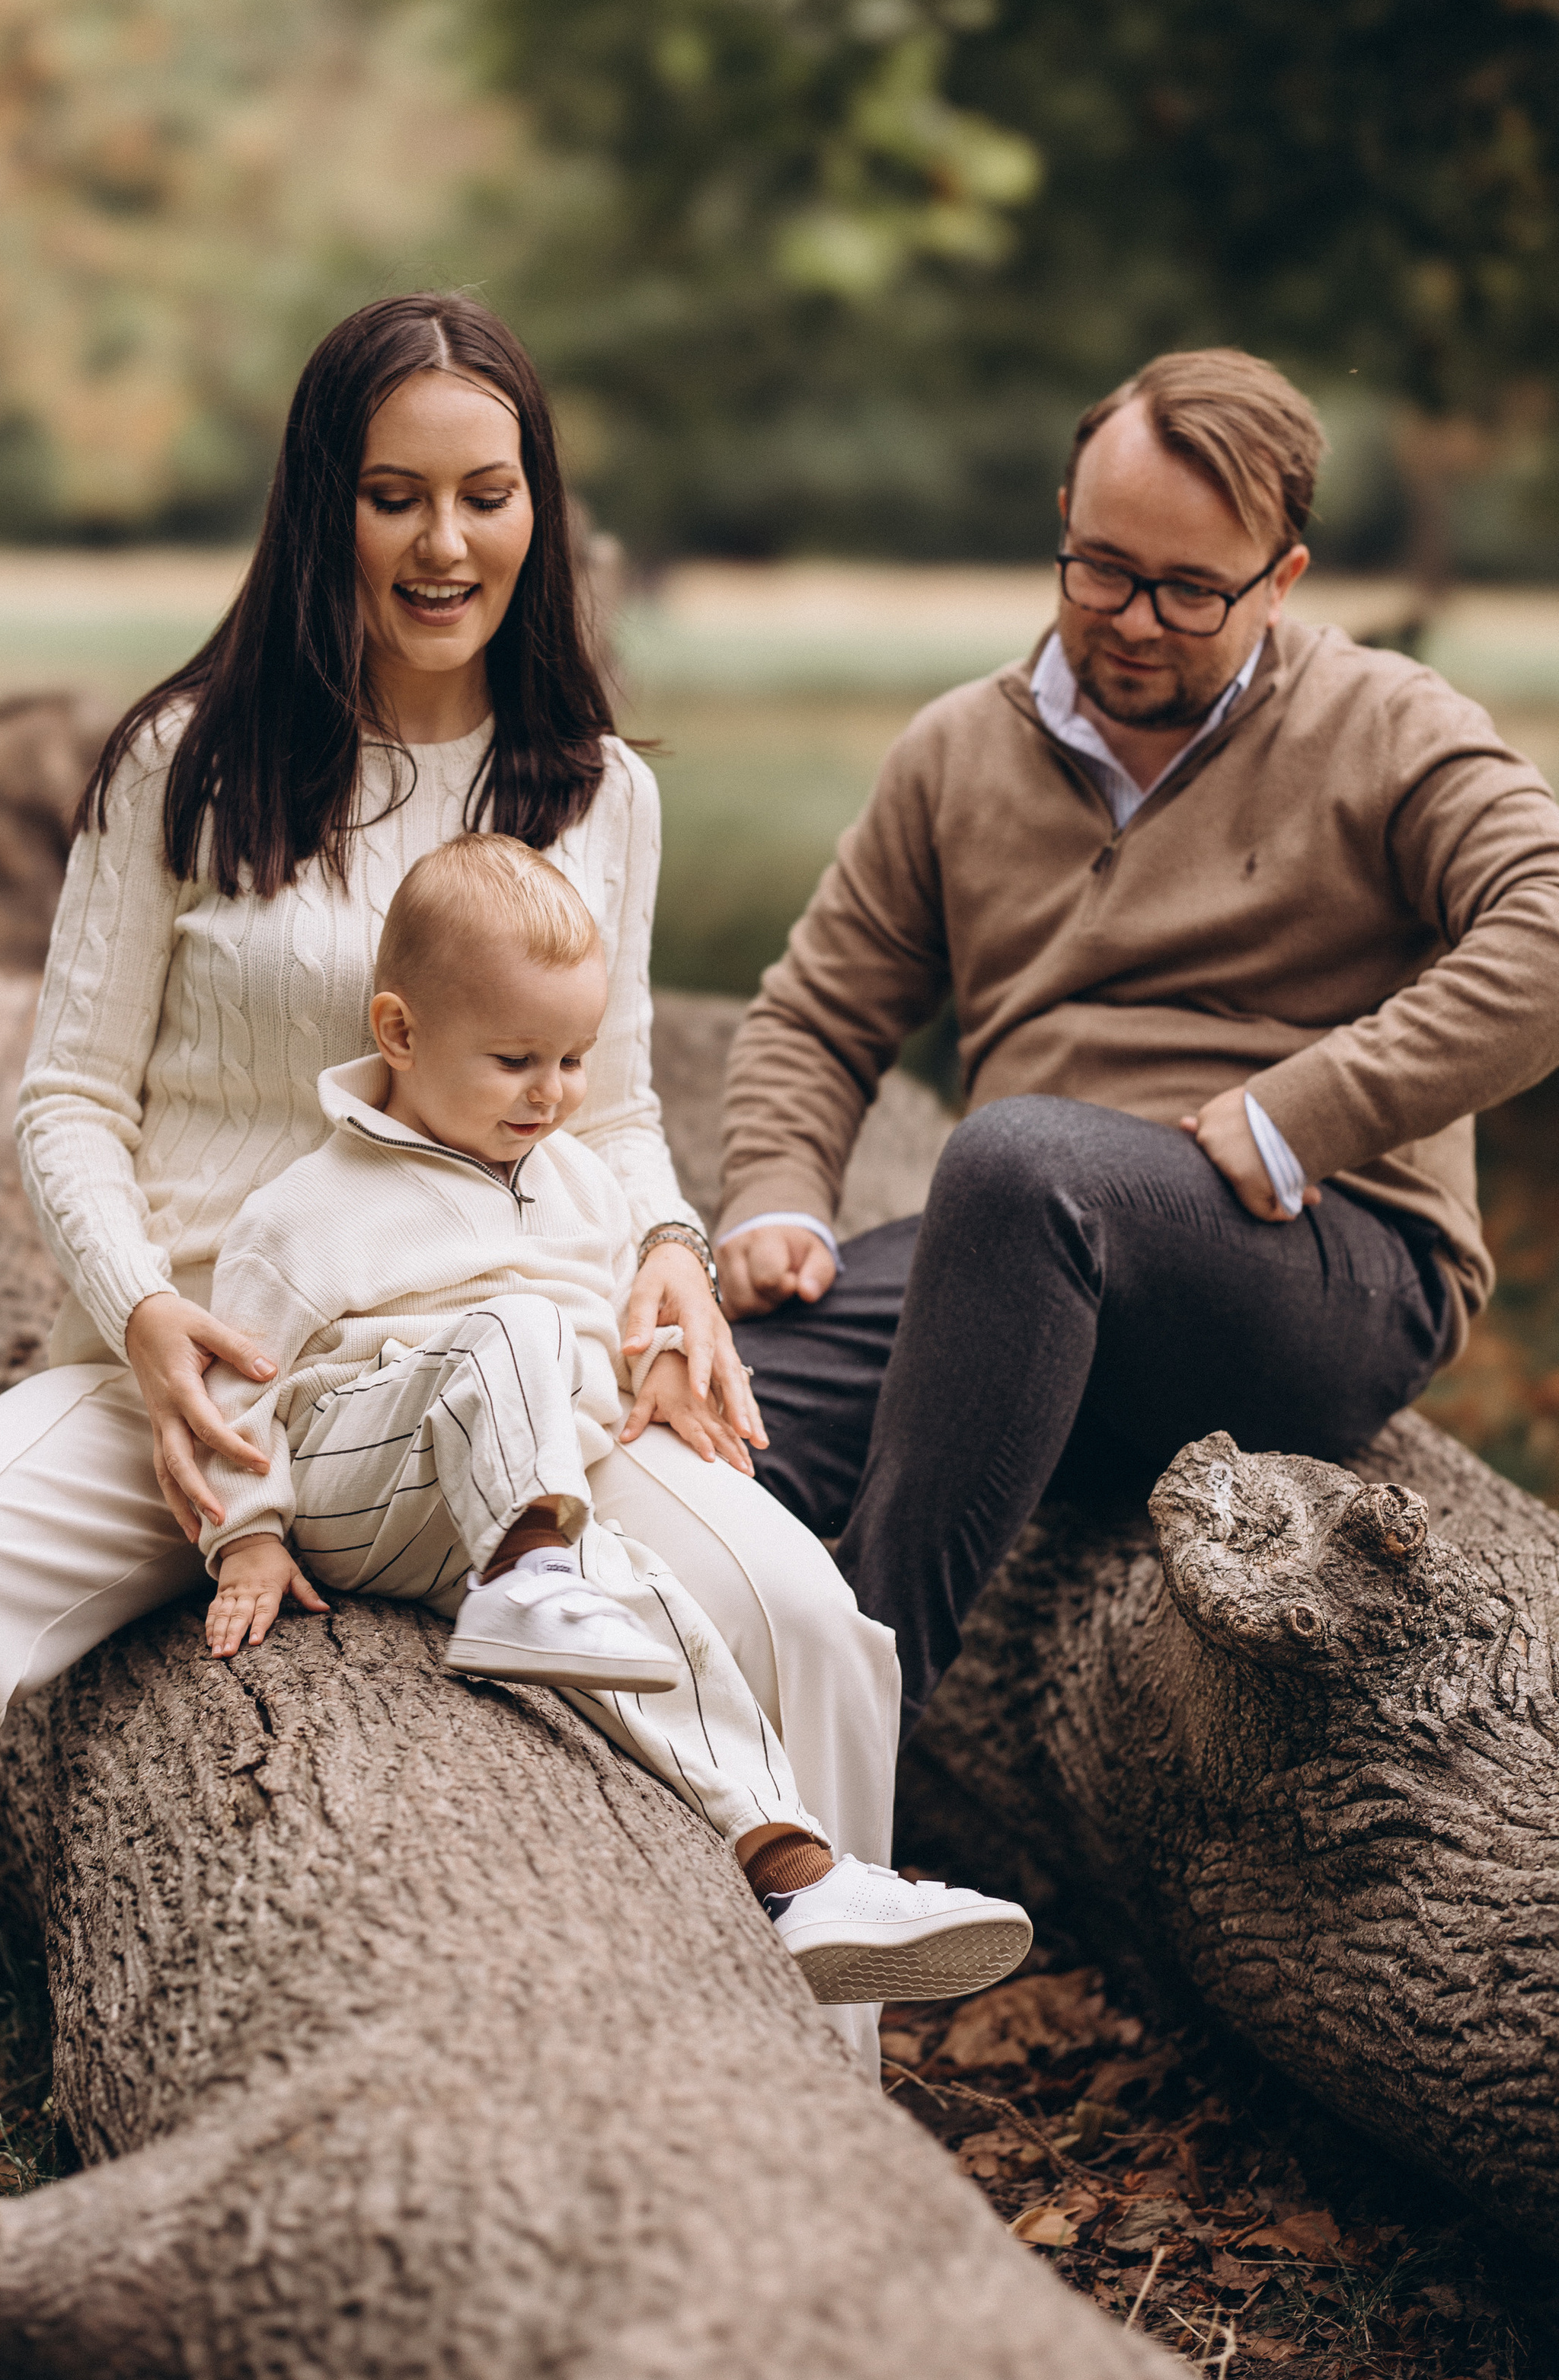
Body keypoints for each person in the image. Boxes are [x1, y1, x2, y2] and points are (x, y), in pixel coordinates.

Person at [0, 292, 807, 2290]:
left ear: (542, 511)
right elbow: (66, 1098)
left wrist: (671, 1260)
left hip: (497, 1364)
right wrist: (148, 1324)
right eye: (395, 496)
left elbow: (605, 1121)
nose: (445, 546)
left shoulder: (593, 788)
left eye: (486, 497)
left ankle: (813, 2146)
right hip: (210, 1370)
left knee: (802, 1619)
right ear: (319, 507)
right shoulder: (190, 758)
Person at [716, 347, 1559, 1747]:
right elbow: (817, 1010)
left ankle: (840, 1776)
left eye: (1189, 591)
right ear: (1060, 517)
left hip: (1321, 1265)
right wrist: (775, 1193)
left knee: (1016, 1164)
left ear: (1282, 580)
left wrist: (1311, 1108)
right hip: (1025, 1261)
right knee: (704, 1405)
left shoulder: (1385, 727)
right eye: (1099, 569)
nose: (1133, 622)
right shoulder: (956, 754)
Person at [196, 831, 1033, 2009]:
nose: (551, 1094)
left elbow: (601, 1332)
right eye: (515, 1060)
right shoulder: (304, 1211)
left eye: (576, 1060)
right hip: (362, 1477)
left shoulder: (576, 1181)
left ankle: (796, 1870)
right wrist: (249, 1534)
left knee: (659, 1614)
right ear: (399, 1034)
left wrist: (652, 1368)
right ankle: (535, 1579)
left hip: (509, 1503)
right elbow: (235, 1385)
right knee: (514, 1328)